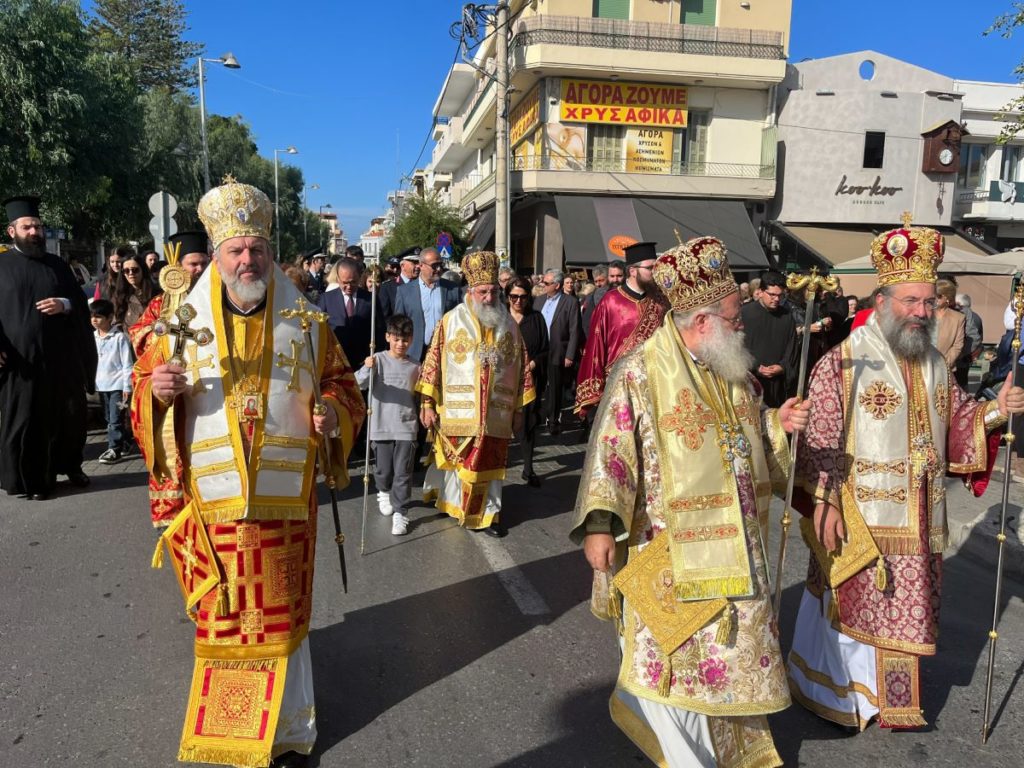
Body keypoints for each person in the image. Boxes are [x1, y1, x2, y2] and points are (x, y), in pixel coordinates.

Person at [131, 180, 365, 768]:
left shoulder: (308, 324)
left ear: (269, 253)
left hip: (283, 505)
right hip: (213, 505)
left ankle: (285, 732)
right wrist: (157, 393)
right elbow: (142, 387)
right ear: (216, 255)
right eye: (235, 250)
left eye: (256, 249)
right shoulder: (179, 323)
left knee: (280, 620)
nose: (247, 260)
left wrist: (330, 414)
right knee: (226, 619)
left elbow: (342, 387)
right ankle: (228, 735)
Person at [571, 235, 809, 768]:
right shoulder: (641, 371)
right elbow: (613, 449)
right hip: (672, 551)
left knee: (730, 661)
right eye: (734, 316)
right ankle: (686, 758)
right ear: (703, 322)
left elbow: (743, 434)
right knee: (674, 662)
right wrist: (601, 525)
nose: (742, 323)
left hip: (741, 554)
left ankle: (723, 751)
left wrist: (778, 423)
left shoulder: (732, 370)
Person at [788, 218, 1024, 731]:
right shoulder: (844, 362)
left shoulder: (934, 361)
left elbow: (959, 419)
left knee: (907, 605)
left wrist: (997, 409)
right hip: (863, 514)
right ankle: (848, 695)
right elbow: (820, 438)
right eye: (911, 302)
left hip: (919, 515)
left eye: (929, 303)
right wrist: (824, 499)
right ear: (883, 300)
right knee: (853, 602)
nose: (922, 313)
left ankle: (893, 699)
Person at [418, 250, 534, 537]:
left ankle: (487, 516)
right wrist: (427, 402)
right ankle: (454, 504)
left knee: (490, 466)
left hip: (497, 409)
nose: (488, 297)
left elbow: (520, 367)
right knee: (458, 463)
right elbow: (433, 363)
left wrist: (519, 410)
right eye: (482, 291)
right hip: (460, 409)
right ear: (470, 290)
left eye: (493, 291)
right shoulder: (451, 321)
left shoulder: (507, 323)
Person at [0, 196, 96, 500]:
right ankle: (28, 480)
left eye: (38, 226)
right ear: (11, 230)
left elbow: (79, 303)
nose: (35, 232)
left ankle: (71, 467)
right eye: (28, 226)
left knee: (68, 416)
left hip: (60, 358)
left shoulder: (57, 265)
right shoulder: (1, 265)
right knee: (25, 420)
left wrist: (64, 304)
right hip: (20, 361)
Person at [128, 231, 211, 528]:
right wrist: (162, 334)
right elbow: (137, 334)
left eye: (203, 263)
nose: (199, 269)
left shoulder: (218, 299)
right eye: (192, 264)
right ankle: (176, 520)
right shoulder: (160, 305)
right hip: (172, 391)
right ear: (179, 267)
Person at [574, 242, 668, 420]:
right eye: (650, 268)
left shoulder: (661, 301)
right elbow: (596, 347)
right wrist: (593, 392)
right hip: (619, 385)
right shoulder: (610, 302)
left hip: (655, 384)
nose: (655, 272)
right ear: (633, 271)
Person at [355, 314, 420, 535]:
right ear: (387, 337)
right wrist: (366, 367)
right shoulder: (378, 360)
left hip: (406, 426)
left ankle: (401, 513)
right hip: (381, 425)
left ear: (411, 340)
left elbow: (422, 393)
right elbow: (358, 384)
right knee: (383, 470)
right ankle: (383, 490)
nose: (400, 344)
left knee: (403, 472)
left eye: (405, 340)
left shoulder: (415, 366)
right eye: (396, 339)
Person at [506, 277, 548, 487]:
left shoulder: (536, 319)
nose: (518, 301)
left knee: (528, 424)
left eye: (523, 297)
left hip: (528, 379)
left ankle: (528, 469)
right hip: (503, 381)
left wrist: (534, 363)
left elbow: (544, 349)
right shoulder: (501, 318)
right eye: (514, 296)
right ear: (507, 297)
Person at [535, 268, 582, 435]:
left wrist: (570, 354)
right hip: (539, 351)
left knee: (554, 388)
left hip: (558, 351)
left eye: (547, 283)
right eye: (543, 282)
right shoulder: (539, 301)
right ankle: (536, 417)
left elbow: (574, 330)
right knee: (538, 385)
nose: (543, 285)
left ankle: (553, 420)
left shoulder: (569, 302)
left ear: (557, 285)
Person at [740, 271, 797, 408]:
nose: (776, 299)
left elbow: (792, 347)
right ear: (760, 291)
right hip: (749, 381)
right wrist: (755, 367)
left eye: (780, 295)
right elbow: (737, 346)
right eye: (772, 294)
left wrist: (782, 366)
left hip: (777, 385)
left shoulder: (787, 316)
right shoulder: (744, 314)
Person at [395, 246, 462, 362]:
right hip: (415, 354)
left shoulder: (452, 289)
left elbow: (460, 321)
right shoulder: (404, 291)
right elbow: (399, 325)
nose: (439, 269)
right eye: (434, 265)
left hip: (445, 353)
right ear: (421, 265)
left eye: (440, 264)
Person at [91, 299, 133, 464]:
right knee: (109, 418)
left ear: (110, 317)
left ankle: (114, 449)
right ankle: (126, 440)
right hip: (101, 387)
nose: (94, 320)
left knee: (116, 418)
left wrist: (127, 386)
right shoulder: (92, 337)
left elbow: (127, 363)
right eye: (92, 316)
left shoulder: (119, 338)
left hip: (118, 387)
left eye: (99, 316)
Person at [318, 259, 375, 368]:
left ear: (359, 278)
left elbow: (379, 329)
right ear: (338, 279)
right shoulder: (326, 299)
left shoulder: (370, 299)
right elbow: (320, 330)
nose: (349, 287)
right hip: (335, 362)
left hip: (363, 362)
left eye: (353, 282)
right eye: (345, 283)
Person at [112, 252, 158, 330]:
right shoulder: (119, 295)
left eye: (135, 270)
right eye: (126, 270)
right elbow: (115, 321)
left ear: (143, 270)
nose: (131, 273)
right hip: (126, 339)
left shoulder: (156, 293)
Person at [582, 260, 624, 334]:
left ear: (608, 278)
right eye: (596, 281)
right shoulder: (590, 297)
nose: (598, 284)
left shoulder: (613, 292)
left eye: (601, 280)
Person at [933, 277, 965, 372]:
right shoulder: (925, 313)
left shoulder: (958, 318)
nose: (934, 298)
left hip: (944, 368)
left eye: (938, 296)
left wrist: (944, 364)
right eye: (933, 295)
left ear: (947, 297)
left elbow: (957, 345)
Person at [379, 247, 420, 320]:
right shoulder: (387, 288)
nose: (418, 266)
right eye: (414, 263)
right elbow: (383, 318)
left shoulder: (423, 285)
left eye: (419, 263)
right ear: (402, 266)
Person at [955, 291, 983, 388]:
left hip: (960, 357)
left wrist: (962, 354)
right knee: (963, 382)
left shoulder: (964, 316)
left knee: (959, 385)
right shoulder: (977, 317)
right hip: (965, 357)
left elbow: (975, 337)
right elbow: (980, 337)